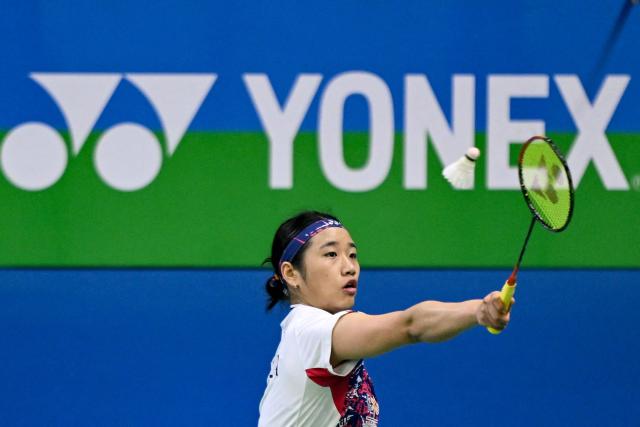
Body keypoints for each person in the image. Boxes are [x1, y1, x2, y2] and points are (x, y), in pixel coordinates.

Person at [257, 211, 512, 427]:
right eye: (331, 255)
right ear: (291, 273)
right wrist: (478, 311)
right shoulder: (310, 331)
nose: (349, 267)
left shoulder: (308, 332)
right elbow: (410, 325)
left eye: (353, 255)